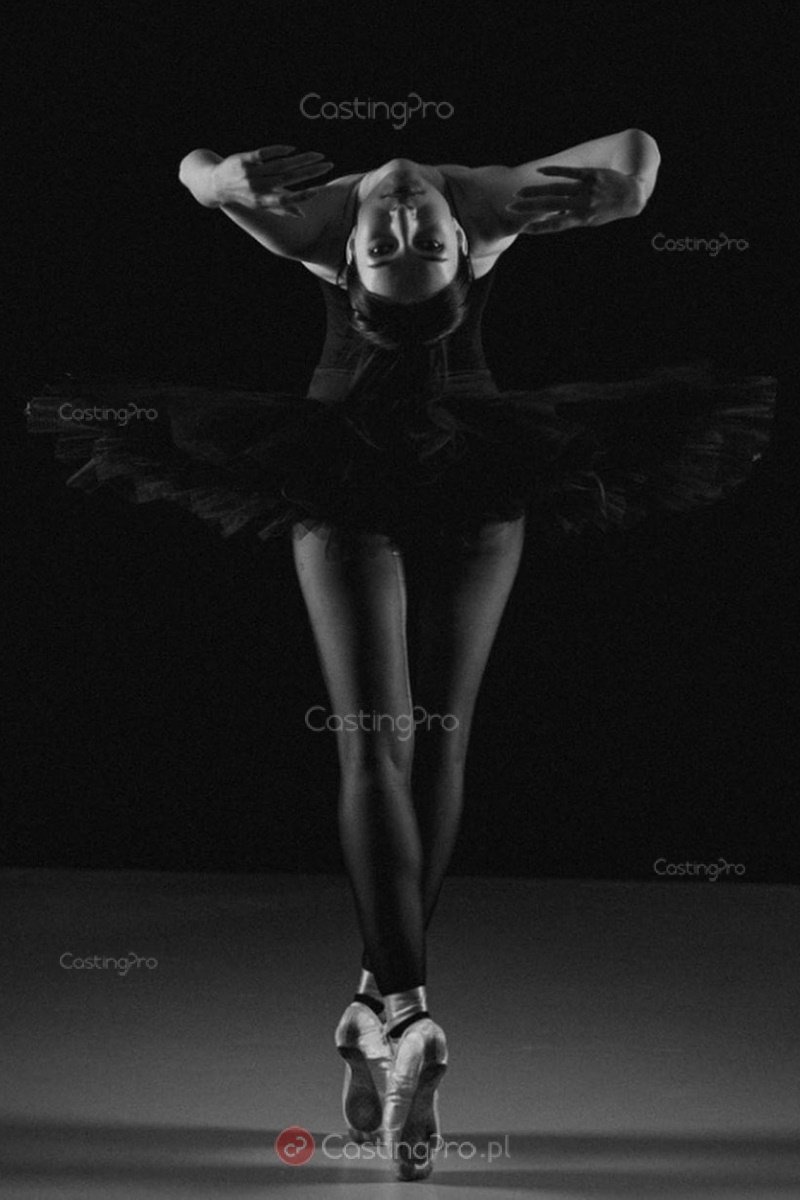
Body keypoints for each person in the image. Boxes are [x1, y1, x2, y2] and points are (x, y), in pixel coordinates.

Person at [26, 131, 776, 1182]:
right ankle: (392, 1008)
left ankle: (392, 1006)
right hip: (458, 463)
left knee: (387, 743)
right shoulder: (483, 209)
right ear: (438, 253)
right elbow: (628, 151)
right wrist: (635, 184)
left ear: (357, 265)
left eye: (408, 239)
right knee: (420, 740)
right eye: (400, 238)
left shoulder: (325, 225)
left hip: (388, 464)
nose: (407, 216)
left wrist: (209, 179)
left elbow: (198, 176)